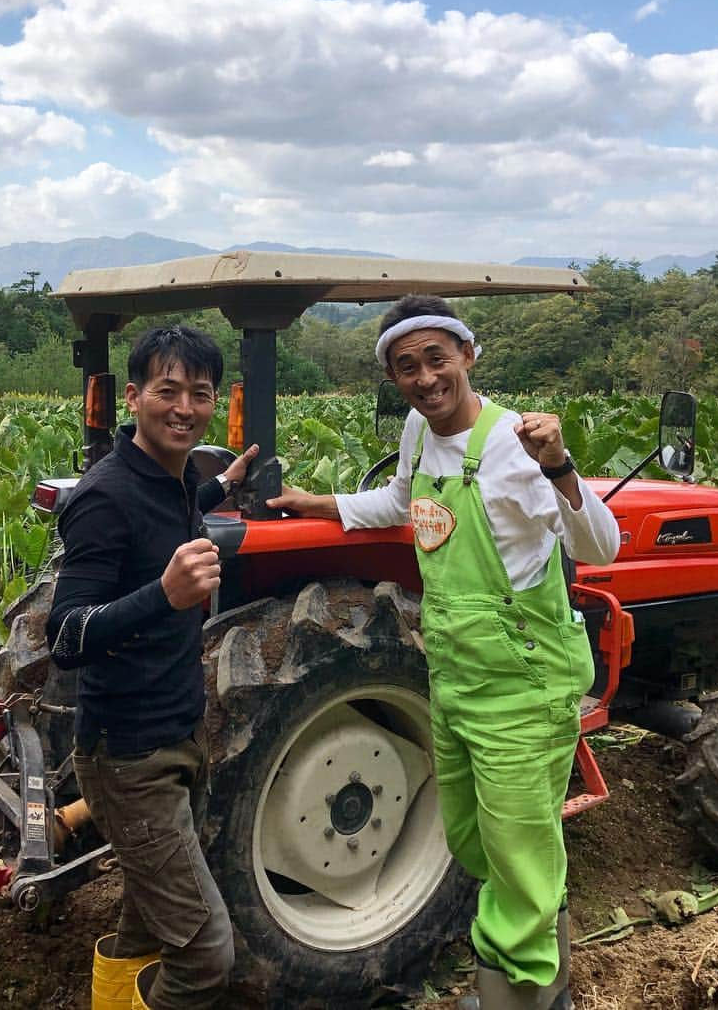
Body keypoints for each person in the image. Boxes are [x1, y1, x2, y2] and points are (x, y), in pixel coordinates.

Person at [267, 296, 620, 1010]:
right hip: (454, 676)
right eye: (407, 366)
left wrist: (561, 466)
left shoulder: (515, 446)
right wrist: (320, 505)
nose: (425, 377)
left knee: (519, 854)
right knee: (473, 837)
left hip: (524, 682)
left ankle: (524, 998)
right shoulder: (418, 434)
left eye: (437, 357)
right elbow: (400, 501)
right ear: (395, 378)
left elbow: (598, 546)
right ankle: (532, 960)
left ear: (467, 354)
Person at [46, 325, 258, 1010]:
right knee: (203, 951)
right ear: (133, 396)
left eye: (199, 393)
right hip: (129, 753)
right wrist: (162, 595)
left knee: (143, 915)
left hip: (175, 739)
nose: (185, 408)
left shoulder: (174, 480)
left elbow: (172, 513)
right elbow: (67, 634)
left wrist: (223, 484)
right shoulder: (105, 497)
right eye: (168, 391)